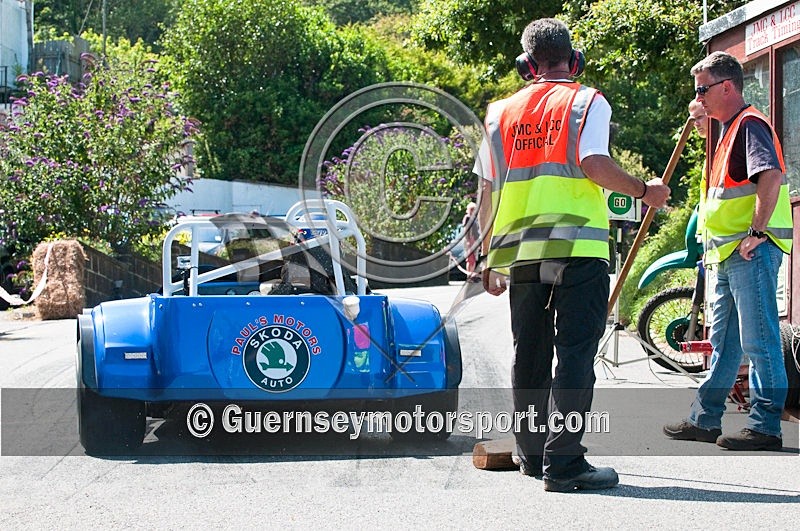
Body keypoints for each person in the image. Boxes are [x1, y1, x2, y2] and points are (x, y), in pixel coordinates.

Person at [475, 18, 670, 492]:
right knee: (576, 354)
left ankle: (531, 455)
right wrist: (644, 191)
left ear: (526, 65)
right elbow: (593, 164)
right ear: (574, 60)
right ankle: (563, 464)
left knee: (530, 354)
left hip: (523, 252)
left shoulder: (500, 113)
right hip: (579, 249)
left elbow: (485, 189)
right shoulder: (586, 101)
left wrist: (486, 258)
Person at [663, 51, 793, 451]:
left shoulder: (750, 124)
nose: (698, 98)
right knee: (724, 344)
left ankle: (765, 426)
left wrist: (756, 231)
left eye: (702, 90)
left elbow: (771, 176)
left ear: (727, 87)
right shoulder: (729, 129)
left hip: (750, 251)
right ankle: (704, 420)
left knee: (759, 341)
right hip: (728, 254)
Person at [461, 202, 480, 279]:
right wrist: (469, 240)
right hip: (470, 240)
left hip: (475, 240)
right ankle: (469, 276)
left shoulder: (474, 218)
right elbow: (467, 230)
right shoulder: (467, 218)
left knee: (474, 259)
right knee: (470, 259)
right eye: (472, 209)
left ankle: (471, 276)